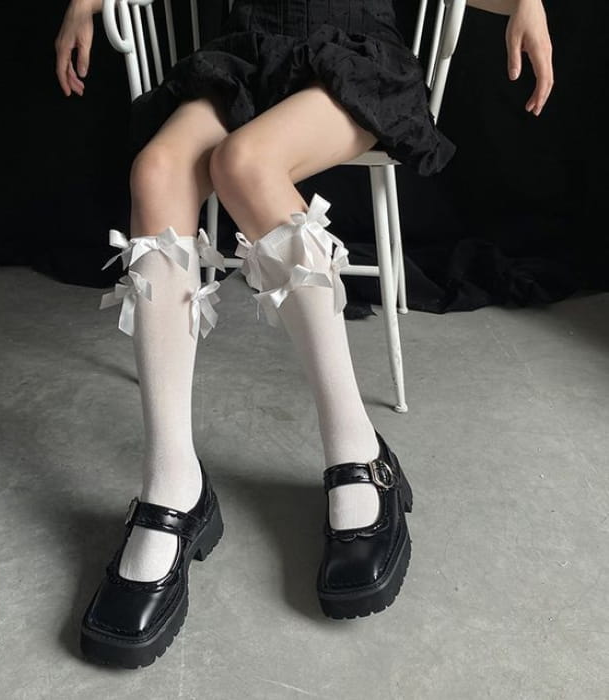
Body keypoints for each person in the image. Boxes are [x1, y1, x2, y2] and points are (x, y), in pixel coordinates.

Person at [54, 0, 553, 668]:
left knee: (244, 162)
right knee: (157, 170)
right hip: (249, 54)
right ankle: (173, 482)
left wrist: (526, 3)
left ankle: (358, 450)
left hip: (352, 54)